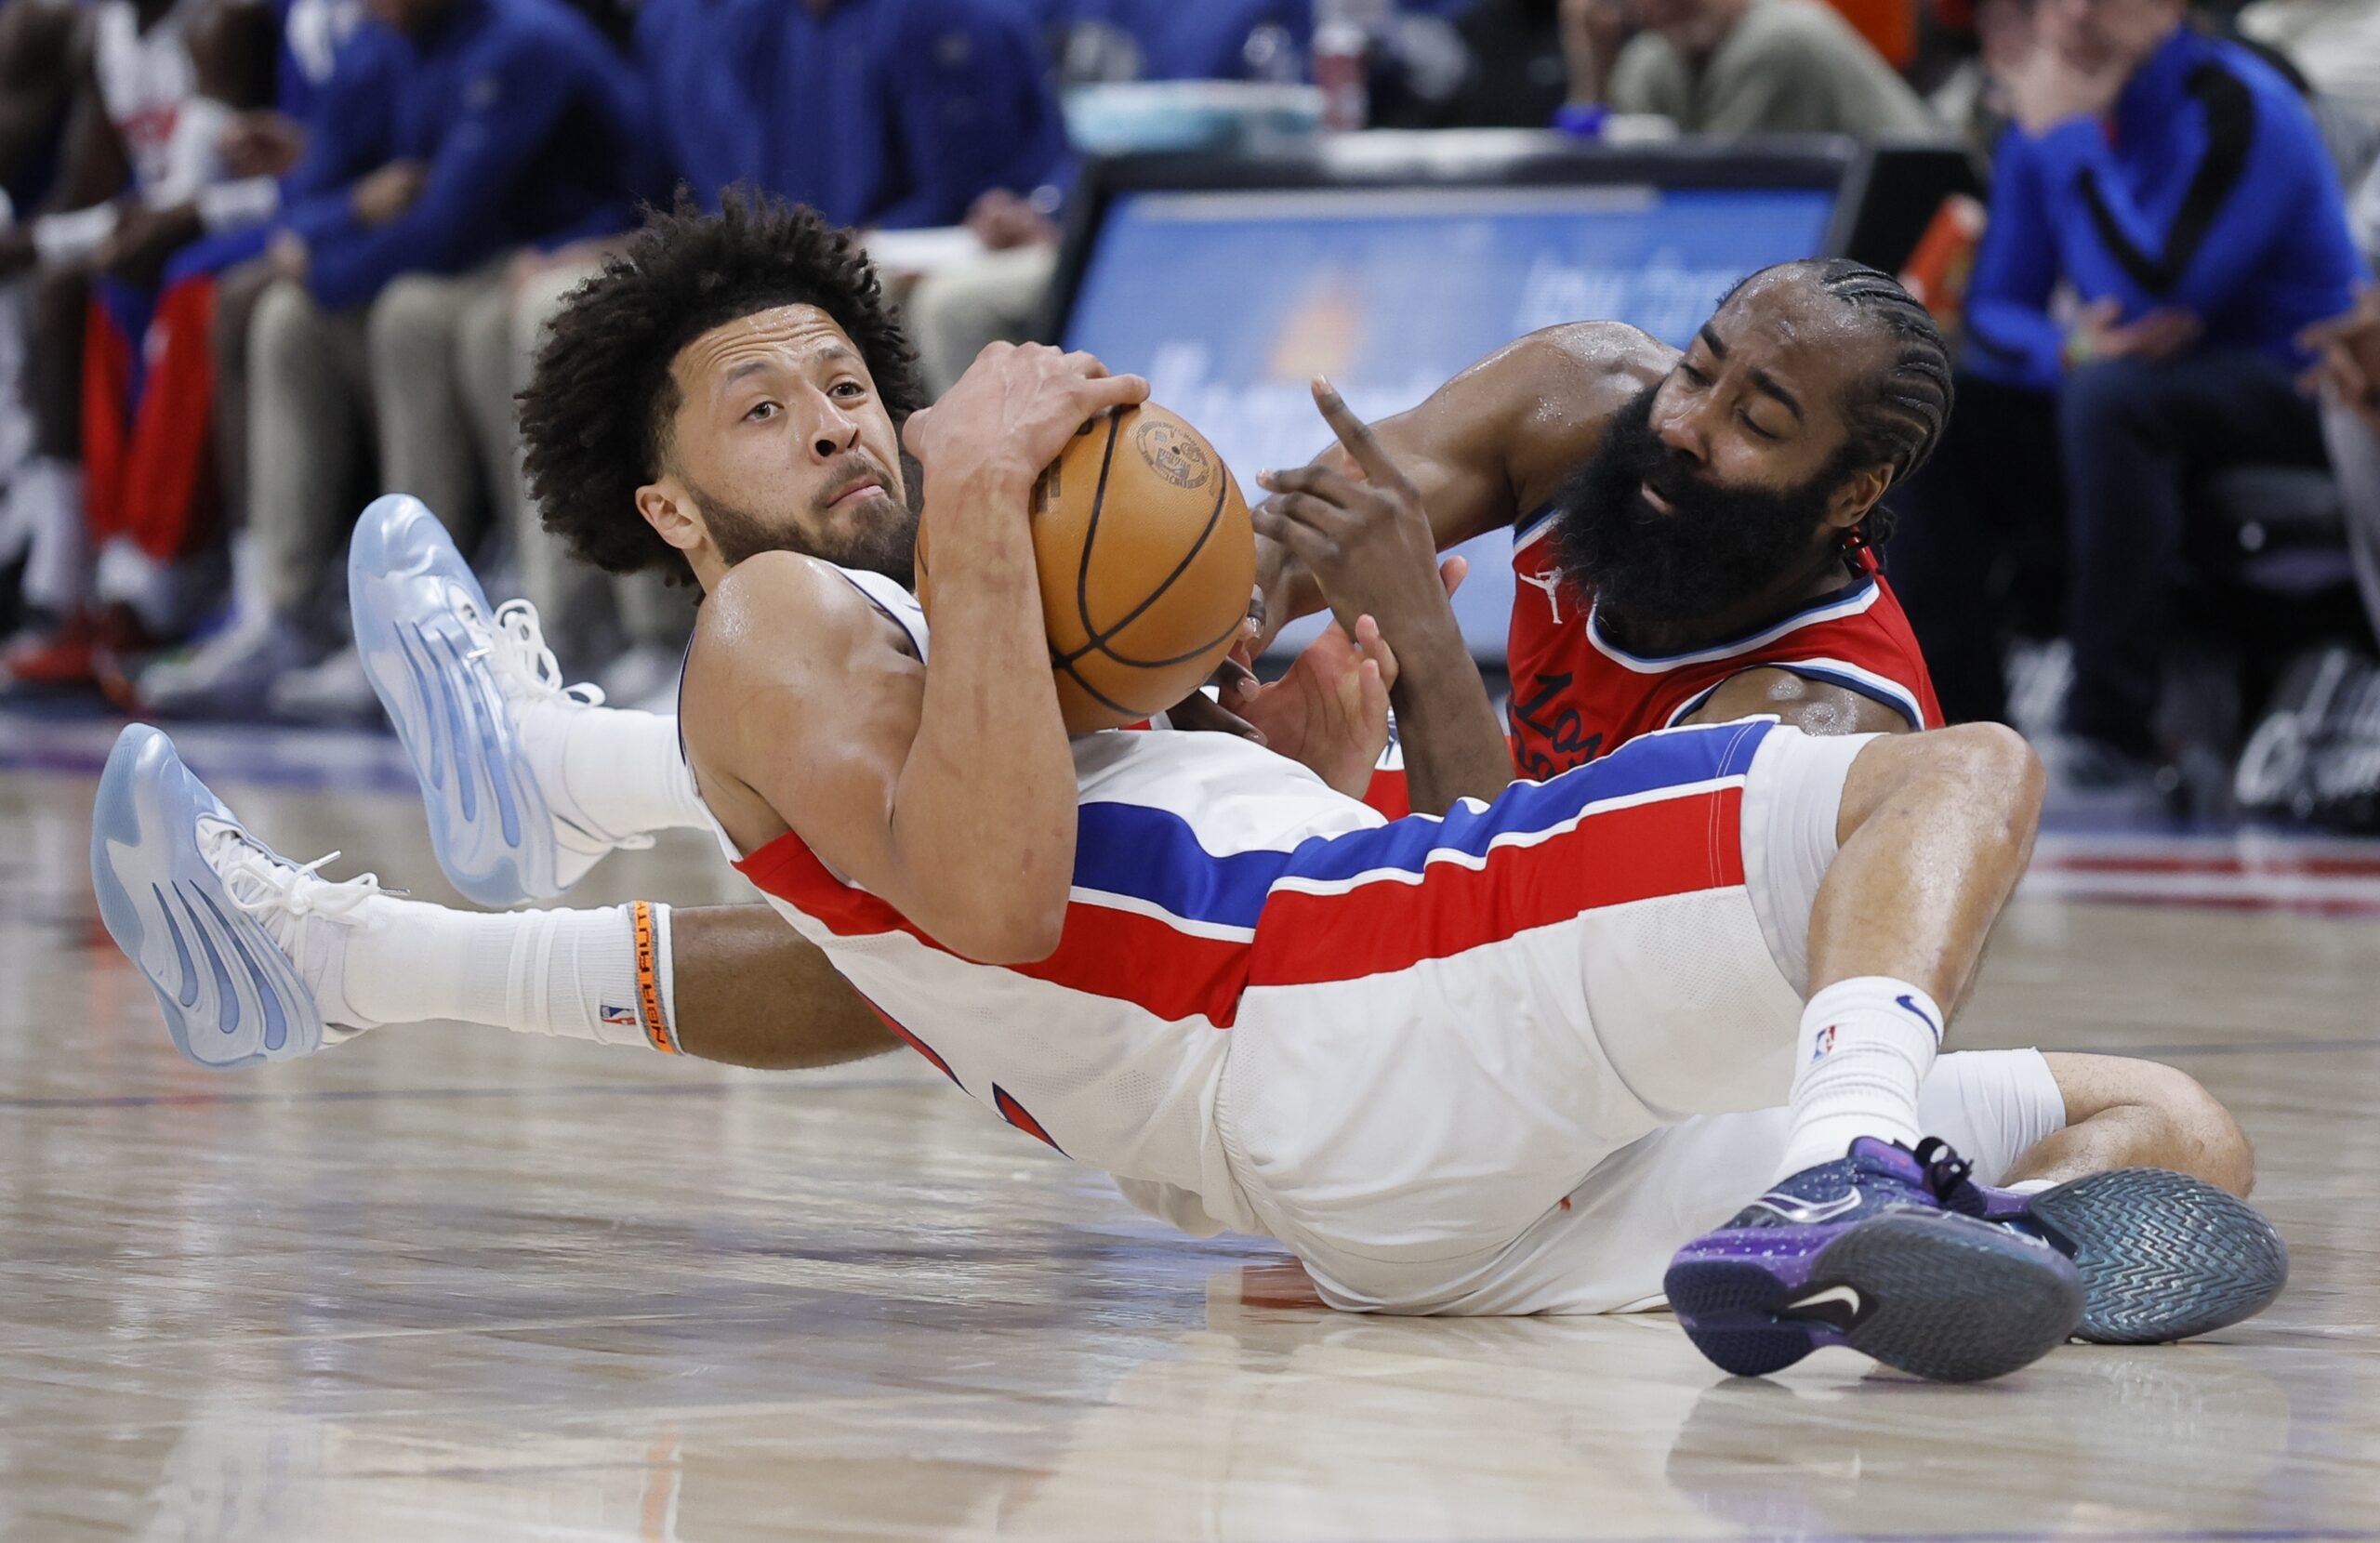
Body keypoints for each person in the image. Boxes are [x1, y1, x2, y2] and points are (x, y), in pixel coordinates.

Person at [94, 195, 2282, 1378]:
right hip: (1369, 1033)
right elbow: (994, 893)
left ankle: (391, 910)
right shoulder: (793, 632)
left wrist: (1297, 750)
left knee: (2180, 1132)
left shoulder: (949, 681)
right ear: (671, 519)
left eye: (858, 383)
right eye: (766, 413)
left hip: (1428, 1183)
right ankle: (1846, 1175)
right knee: (1967, 777)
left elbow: (968, 912)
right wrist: (977, 503)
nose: (845, 423)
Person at [1884, 0, 2367, 794]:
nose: (2074, 12)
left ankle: (2109, 730)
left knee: (2117, 401)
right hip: (2124, 390)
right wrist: (2068, 350)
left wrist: (2072, 140)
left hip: (2298, 390)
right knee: (1942, 409)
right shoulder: (2051, 109)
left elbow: (2156, 298)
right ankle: (1957, 729)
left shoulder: (2241, 105)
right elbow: (1996, 308)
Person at [136, 0, 661, 720]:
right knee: (288, 321)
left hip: (573, 245)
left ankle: (555, 624)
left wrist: (317, 263)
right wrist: (352, 207)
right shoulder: (378, 44)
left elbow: (447, 225)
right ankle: (304, 614)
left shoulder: (524, 40)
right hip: (484, 259)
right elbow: (307, 193)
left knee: (416, 313)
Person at [1555, 0, 1943, 138]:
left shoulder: (1777, 39)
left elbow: (1724, 199)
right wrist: (1593, 67)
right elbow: (1613, 188)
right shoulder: (1650, 61)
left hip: (1919, 236)